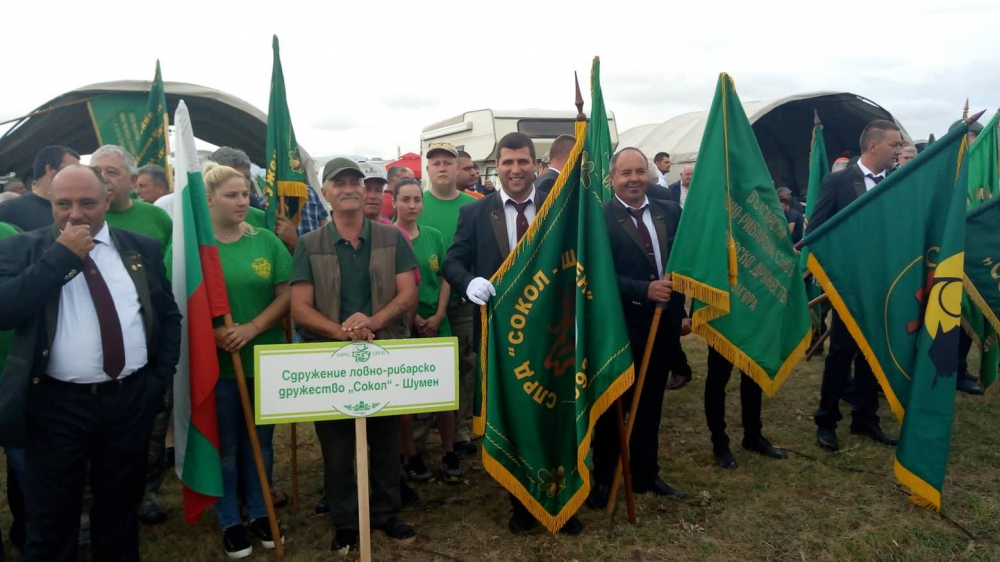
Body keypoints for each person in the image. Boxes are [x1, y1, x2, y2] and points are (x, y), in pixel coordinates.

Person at [0, 164, 181, 561]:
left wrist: (157, 380)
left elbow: (167, 318)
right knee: (52, 519)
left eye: (86, 203)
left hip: (128, 401)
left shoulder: (140, 249)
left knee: (119, 511)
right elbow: (7, 311)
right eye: (63, 204)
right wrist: (61, 257)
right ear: (50, 202)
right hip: (55, 405)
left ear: (108, 201)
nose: (74, 214)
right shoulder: (23, 249)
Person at [441, 132, 583, 535]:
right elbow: (453, 261)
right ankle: (521, 499)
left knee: (556, 411)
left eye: (523, 162)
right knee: (515, 415)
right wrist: (468, 283)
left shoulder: (558, 210)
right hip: (503, 339)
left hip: (554, 333)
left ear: (536, 166)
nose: (515, 170)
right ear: (497, 167)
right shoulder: (474, 213)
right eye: (507, 163)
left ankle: (563, 497)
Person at [291, 157, 419, 552]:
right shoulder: (309, 244)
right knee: (336, 445)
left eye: (355, 182)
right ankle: (345, 521)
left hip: (381, 354)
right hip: (330, 361)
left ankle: (384, 513)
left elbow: (407, 294)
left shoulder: (391, 238)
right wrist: (342, 331)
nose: (349, 187)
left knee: (384, 439)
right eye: (339, 182)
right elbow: (299, 306)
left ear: (366, 191)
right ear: (326, 193)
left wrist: (373, 322)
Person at [195, 162, 290, 558]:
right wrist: (211, 332)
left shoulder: (265, 240)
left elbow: (286, 293)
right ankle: (229, 519)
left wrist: (252, 327)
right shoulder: (195, 248)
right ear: (209, 199)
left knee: (261, 443)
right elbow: (180, 299)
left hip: (262, 356)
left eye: (244, 194)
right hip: (217, 364)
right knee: (226, 445)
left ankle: (259, 510)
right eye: (231, 195)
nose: (241, 201)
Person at [587, 147, 688, 509]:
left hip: (662, 328)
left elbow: (682, 263)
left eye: (639, 172)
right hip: (620, 327)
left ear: (648, 174)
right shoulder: (598, 220)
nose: (633, 179)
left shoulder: (669, 212)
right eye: (625, 173)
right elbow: (596, 276)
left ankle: (646, 472)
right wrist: (642, 290)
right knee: (615, 405)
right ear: (612, 178)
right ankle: (604, 479)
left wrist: (682, 310)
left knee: (650, 405)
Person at [808, 119, 904, 451]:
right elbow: (817, 231)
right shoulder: (838, 182)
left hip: (884, 284)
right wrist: (836, 276)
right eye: (894, 145)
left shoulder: (896, 182)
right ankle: (827, 419)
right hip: (849, 285)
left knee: (872, 351)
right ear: (873, 146)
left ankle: (865, 417)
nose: (898, 151)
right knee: (841, 353)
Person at [392, 177, 463, 483]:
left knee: (444, 393)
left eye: (416, 200)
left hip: (438, 323)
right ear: (393, 201)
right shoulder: (387, 236)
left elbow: (446, 275)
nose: (412, 205)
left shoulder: (433, 235)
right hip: (404, 327)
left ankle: (448, 451)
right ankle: (410, 454)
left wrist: (439, 314)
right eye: (405, 199)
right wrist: (415, 319)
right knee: (406, 398)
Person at [417, 142, 480, 456]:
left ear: (458, 169)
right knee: (426, 368)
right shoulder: (415, 203)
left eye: (448, 162)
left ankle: (462, 429)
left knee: (466, 365)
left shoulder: (475, 206)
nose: (442, 167)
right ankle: (422, 430)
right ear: (427, 170)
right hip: (423, 308)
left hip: (465, 302)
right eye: (436, 162)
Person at [704, 347, 787, 469]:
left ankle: (753, 437)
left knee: (753, 375)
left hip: (752, 329)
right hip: (724, 328)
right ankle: (719, 443)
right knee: (718, 376)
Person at [91, 145, 173, 252]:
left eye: (111, 172)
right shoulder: (82, 217)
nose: (103, 178)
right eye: (96, 171)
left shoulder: (157, 217)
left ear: (133, 180)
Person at [0, 146, 80, 232]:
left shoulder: (77, 209)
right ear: (50, 169)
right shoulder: (9, 210)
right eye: (70, 169)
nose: (78, 176)